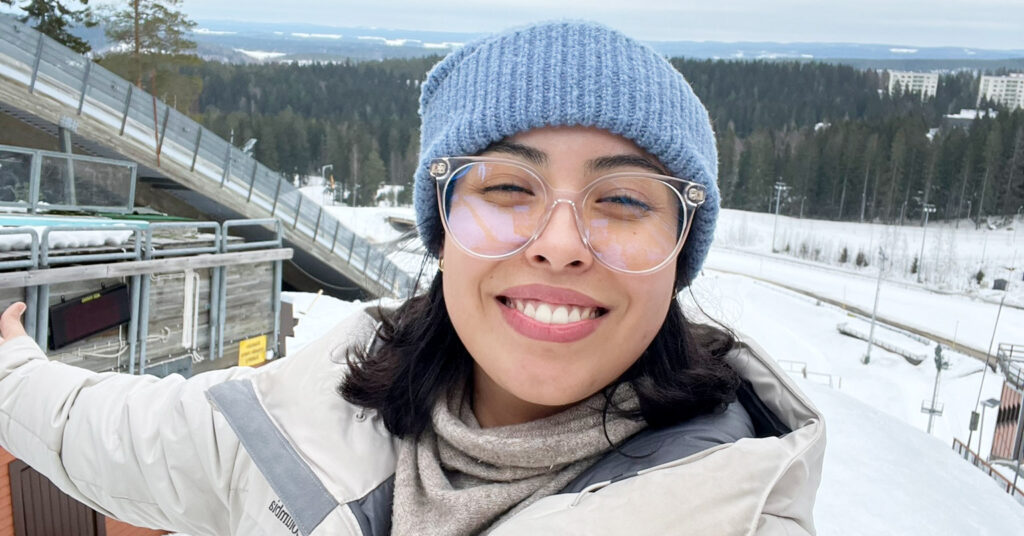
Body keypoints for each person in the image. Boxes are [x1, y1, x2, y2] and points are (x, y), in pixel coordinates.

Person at [0, 21, 824, 536]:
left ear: (679, 250)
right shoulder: (310, 415)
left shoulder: (732, 512)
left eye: (623, 199)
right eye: (508, 187)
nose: (560, 245)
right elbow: (105, 431)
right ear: (442, 226)